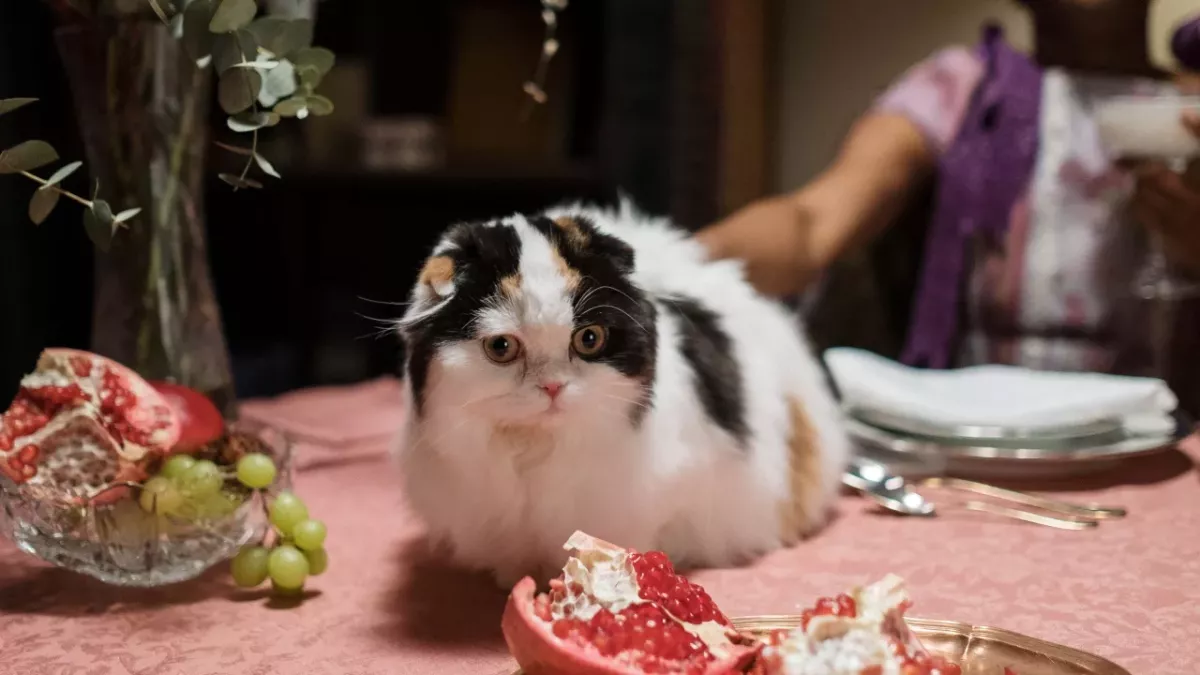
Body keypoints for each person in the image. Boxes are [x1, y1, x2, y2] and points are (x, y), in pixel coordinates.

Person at [698, 0, 1200, 415]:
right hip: (979, 426)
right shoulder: (967, 88)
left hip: (1164, 432)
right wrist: (682, 256)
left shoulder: (1188, 103)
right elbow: (812, 224)